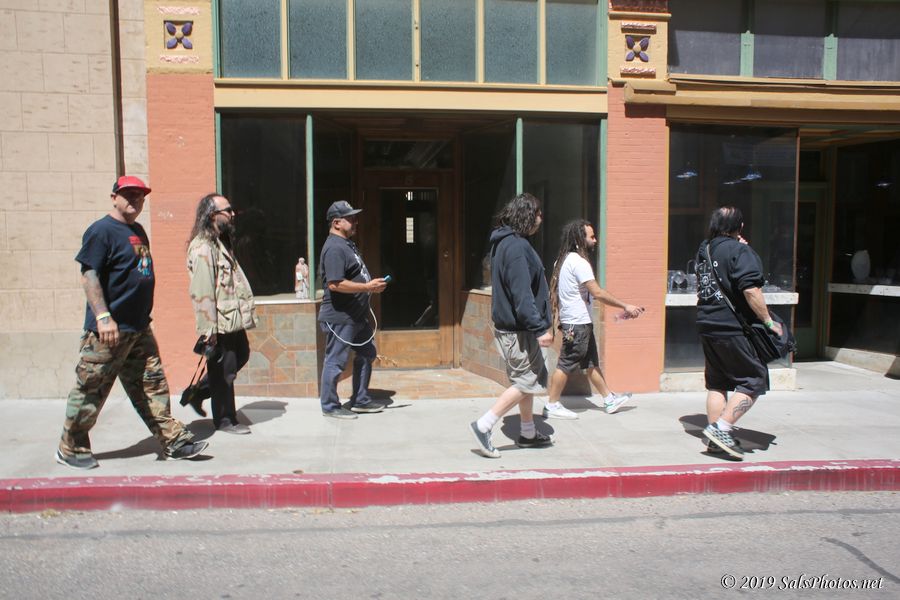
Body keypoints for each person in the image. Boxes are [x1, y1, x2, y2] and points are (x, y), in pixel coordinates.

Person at [56, 176, 208, 470]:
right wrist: (103, 317)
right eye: (128, 194)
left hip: (138, 328)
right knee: (91, 390)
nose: (135, 200)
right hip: (108, 331)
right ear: (114, 197)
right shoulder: (101, 231)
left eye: (140, 195)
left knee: (153, 385)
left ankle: (173, 441)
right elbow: (89, 275)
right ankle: (70, 447)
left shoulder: (137, 231)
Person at [470, 193, 554, 458]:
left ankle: (528, 433)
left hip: (515, 329)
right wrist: (539, 328)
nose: (541, 218)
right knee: (528, 380)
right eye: (538, 213)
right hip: (519, 330)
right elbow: (522, 295)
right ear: (527, 215)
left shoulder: (505, 243)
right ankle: (484, 425)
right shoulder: (516, 247)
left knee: (524, 380)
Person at [695, 206, 783, 460]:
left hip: (707, 324)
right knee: (754, 379)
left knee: (718, 382)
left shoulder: (704, 249)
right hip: (733, 328)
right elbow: (751, 290)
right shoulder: (741, 251)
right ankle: (721, 429)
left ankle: (715, 442)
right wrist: (768, 321)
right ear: (740, 226)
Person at [543, 219, 644, 420]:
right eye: (591, 237)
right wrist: (625, 306)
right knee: (565, 363)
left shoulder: (562, 261)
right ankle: (551, 405)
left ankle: (609, 399)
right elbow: (597, 292)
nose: (595, 240)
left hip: (576, 322)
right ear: (580, 239)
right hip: (577, 324)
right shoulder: (579, 263)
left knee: (590, 363)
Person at [186, 193, 258, 435]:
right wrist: (209, 330)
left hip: (232, 318)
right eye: (227, 210)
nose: (232, 214)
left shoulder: (220, 242)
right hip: (219, 322)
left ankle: (199, 392)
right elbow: (202, 292)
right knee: (225, 372)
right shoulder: (203, 248)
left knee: (241, 356)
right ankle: (226, 420)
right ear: (211, 215)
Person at [318, 200, 389, 419]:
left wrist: (370, 286)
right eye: (350, 218)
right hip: (340, 316)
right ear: (337, 223)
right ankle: (330, 406)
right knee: (336, 361)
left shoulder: (346, 244)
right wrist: (367, 287)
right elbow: (335, 284)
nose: (355, 221)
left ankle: (360, 400)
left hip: (356, 316)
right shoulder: (334, 248)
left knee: (368, 352)